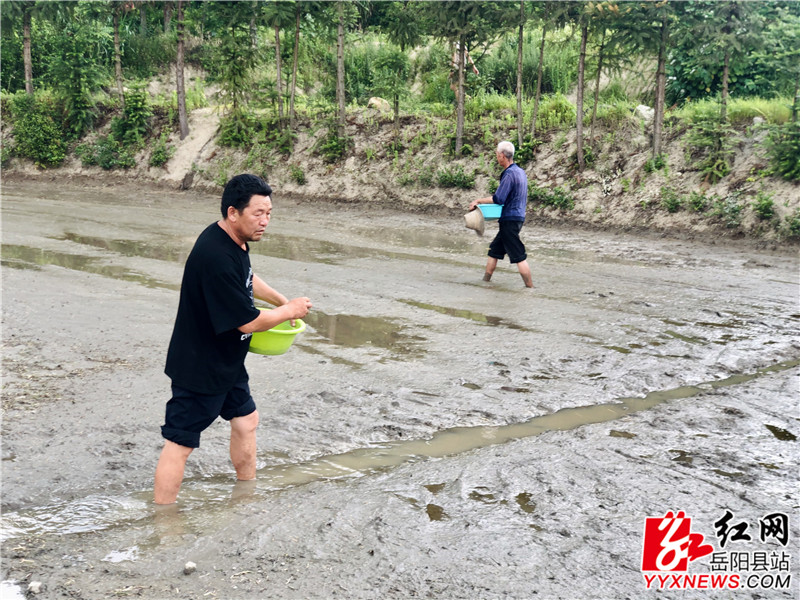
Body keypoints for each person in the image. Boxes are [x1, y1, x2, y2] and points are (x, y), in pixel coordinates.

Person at [154, 174, 312, 505]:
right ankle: (163, 520)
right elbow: (248, 323)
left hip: (227, 360)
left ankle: (246, 491)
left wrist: (282, 301)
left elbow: (248, 278)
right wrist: (291, 311)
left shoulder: (235, 242)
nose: (265, 221)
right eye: (258, 213)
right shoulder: (215, 255)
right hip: (200, 366)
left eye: (269, 213)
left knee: (246, 419)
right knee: (180, 442)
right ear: (233, 212)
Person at [469, 141, 533, 288]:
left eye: (497, 155)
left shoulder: (510, 174)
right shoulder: (520, 172)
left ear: (503, 156)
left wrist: (478, 201)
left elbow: (499, 199)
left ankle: (530, 288)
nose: (497, 158)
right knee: (494, 250)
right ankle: (485, 281)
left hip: (510, 219)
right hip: (517, 217)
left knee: (518, 255)